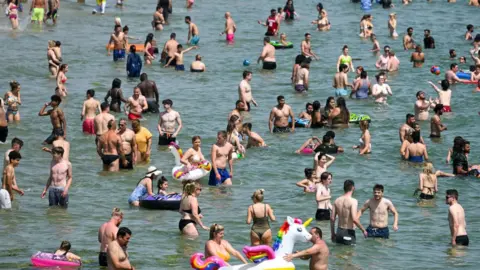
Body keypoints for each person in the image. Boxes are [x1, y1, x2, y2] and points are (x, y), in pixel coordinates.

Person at [331, 180, 367, 245]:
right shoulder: (353, 201)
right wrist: (363, 230)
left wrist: (332, 233)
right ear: (353, 188)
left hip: (339, 232)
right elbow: (354, 219)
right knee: (349, 253)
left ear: (344, 188)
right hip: (348, 232)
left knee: (339, 254)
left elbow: (332, 218)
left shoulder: (337, 200)